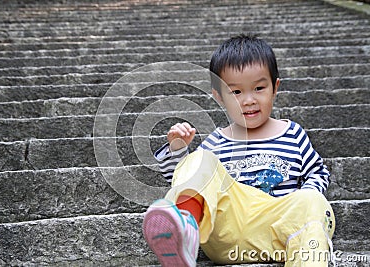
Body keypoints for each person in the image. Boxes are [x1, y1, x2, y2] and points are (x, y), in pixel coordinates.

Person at [142, 34, 335, 267]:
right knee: (199, 161)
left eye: (259, 88)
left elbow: (318, 173)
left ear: (275, 88)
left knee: (314, 201)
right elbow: (183, 178)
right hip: (228, 232)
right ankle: (186, 226)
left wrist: (301, 199)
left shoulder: (292, 133)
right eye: (236, 92)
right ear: (219, 97)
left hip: (280, 228)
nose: (249, 100)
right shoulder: (215, 142)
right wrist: (177, 150)